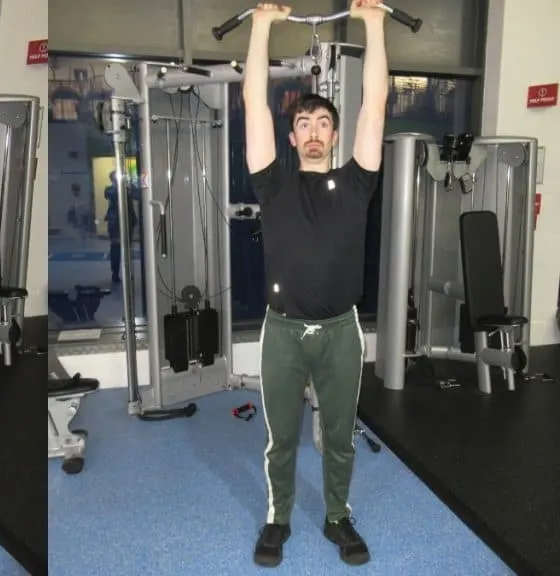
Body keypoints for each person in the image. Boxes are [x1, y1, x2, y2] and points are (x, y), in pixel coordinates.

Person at [242, 0, 388, 568]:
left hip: (340, 333)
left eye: (323, 122)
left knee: (339, 436)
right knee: (280, 438)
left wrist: (372, 25)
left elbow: (375, 102)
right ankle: (277, 519)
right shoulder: (273, 185)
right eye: (303, 123)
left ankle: (336, 517)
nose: (313, 131)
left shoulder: (356, 185)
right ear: (292, 135)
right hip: (282, 332)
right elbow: (254, 100)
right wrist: (260, 29)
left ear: (334, 134)